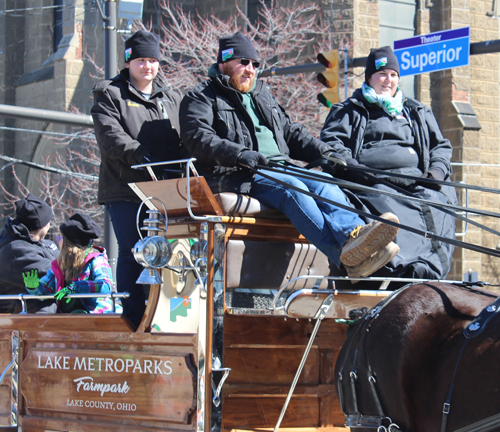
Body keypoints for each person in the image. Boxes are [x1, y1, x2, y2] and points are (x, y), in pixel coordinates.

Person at [179, 31, 401, 278]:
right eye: (242, 62)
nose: (250, 69)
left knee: (325, 184)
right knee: (293, 188)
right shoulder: (200, 96)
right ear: (223, 64)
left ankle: (356, 239)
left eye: (254, 64)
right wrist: (240, 154)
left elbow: (291, 132)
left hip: (280, 166)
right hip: (239, 174)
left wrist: (326, 152)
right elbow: (198, 138)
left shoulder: (262, 94)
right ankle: (344, 256)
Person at [320, 46, 457, 280]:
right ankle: (398, 269)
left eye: (393, 75)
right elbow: (331, 144)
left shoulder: (417, 111)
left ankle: (430, 270)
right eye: (382, 74)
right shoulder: (349, 110)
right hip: (373, 182)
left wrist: (436, 172)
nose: (388, 80)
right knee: (387, 207)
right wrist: (355, 169)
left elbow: (440, 146)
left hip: (416, 181)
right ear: (370, 78)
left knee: (439, 198)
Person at [91, 30, 182, 326]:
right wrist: (140, 154)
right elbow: (110, 138)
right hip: (125, 188)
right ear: (129, 61)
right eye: (142, 60)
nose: (148, 67)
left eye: (153, 61)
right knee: (135, 251)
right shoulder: (109, 93)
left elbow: (184, 137)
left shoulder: (171, 98)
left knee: (167, 254)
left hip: (166, 188)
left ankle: (160, 316)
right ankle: (133, 319)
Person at [22, 212, 120, 314]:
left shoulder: (96, 260)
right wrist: (34, 287)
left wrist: (76, 287)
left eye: (61, 238)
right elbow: (45, 290)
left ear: (69, 243)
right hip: (69, 317)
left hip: (97, 315)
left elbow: (105, 286)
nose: (58, 241)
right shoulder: (59, 264)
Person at [0, 193, 59, 313]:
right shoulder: (16, 251)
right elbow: (57, 276)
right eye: (49, 221)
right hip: (27, 318)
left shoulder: (40, 243)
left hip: (40, 312)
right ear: (42, 225)